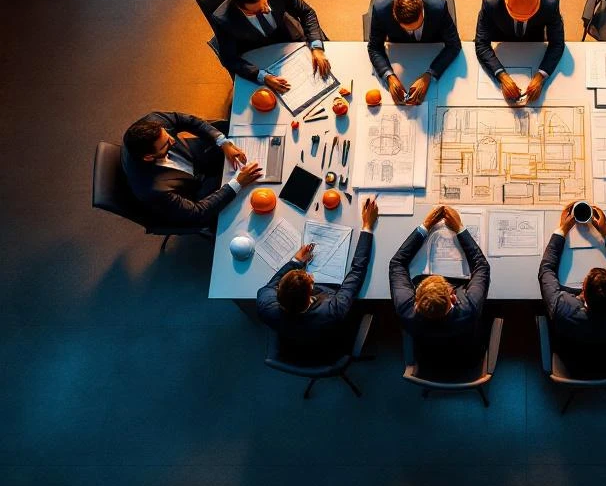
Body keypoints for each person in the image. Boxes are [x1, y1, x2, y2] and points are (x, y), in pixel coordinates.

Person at [257, 198, 378, 346]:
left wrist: (296, 261)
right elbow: (357, 271)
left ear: (278, 289)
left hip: (291, 339)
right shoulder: (332, 310)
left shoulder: (265, 301)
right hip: (330, 346)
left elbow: (272, 284)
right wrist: (367, 227)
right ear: (311, 290)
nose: (311, 275)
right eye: (309, 277)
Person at [121, 111, 261, 226]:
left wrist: (223, 143)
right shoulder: (153, 190)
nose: (173, 140)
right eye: (166, 143)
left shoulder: (154, 123)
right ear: (148, 157)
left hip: (193, 156)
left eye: (168, 135)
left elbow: (188, 121)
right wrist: (237, 183)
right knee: (244, 202)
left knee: (227, 132)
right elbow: (197, 213)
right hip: (193, 190)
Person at [538, 204, 606, 345]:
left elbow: (546, 269)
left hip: (571, 361)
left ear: (583, 293)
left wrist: (563, 229)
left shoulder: (562, 309)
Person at [209, 0, 330, 91]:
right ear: (240, 8)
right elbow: (229, 58)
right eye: (259, 11)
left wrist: (316, 47)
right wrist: (262, 76)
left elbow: (306, 12)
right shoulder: (223, 20)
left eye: (265, 2)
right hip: (256, 51)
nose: (267, 9)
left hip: (286, 39)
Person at [390, 206, 490, 343]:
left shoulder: (406, 311)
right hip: (467, 352)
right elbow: (481, 266)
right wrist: (460, 229)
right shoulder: (469, 309)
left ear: (416, 301)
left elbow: (397, 263)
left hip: (424, 350)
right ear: (453, 297)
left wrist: (425, 226)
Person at [475, 0, 565, 106]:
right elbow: (481, 43)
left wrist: (541, 76)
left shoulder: (551, 3)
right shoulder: (490, 2)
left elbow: (557, 43)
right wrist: (502, 76)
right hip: (503, 41)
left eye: (526, 17)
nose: (521, 20)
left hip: (534, 42)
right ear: (506, 3)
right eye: (517, 16)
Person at [367, 0, 462, 106]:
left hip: (432, 49)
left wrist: (429, 74)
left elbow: (454, 45)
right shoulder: (381, 10)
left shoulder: (439, 7)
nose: (412, 31)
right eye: (406, 28)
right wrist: (388, 76)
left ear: (422, 10)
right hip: (401, 53)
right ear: (395, 16)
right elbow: (374, 47)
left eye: (418, 26)